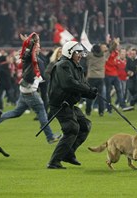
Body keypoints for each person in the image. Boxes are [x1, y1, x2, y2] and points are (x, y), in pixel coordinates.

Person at [0, 32, 61, 144]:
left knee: (16, 112)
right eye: (37, 46)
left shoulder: (30, 58)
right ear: (34, 48)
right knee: (42, 112)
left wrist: (28, 42)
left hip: (24, 90)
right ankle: (50, 137)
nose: (39, 47)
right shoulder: (36, 60)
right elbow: (44, 77)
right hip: (30, 92)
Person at [47, 41, 98, 169]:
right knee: (72, 129)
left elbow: (80, 84)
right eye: (77, 52)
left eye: (81, 53)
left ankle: (68, 154)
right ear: (69, 52)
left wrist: (90, 92)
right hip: (60, 104)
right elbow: (68, 84)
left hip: (68, 103)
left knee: (85, 125)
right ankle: (54, 161)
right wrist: (87, 90)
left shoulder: (76, 66)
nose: (80, 55)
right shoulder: (62, 65)